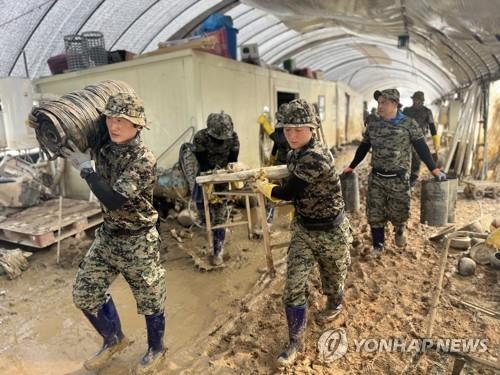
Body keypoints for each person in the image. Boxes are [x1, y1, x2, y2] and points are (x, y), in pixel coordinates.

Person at [61, 93, 167, 374]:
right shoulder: (105, 148)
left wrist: (86, 170)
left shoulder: (144, 159)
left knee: (150, 299)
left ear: (138, 125)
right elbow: (72, 134)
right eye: (110, 118)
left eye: (122, 120)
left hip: (139, 240)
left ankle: (156, 349)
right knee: (84, 293)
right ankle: (114, 339)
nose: (114, 125)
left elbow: (114, 199)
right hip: (109, 236)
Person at [254, 99, 352, 367]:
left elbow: (286, 193)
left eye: (298, 130)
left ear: (312, 129)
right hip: (304, 230)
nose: (292, 135)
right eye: (287, 130)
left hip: (331, 230)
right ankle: (295, 341)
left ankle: (335, 302)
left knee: (333, 277)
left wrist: (264, 186)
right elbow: (291, 179)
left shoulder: (316, 156)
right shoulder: (293, 154)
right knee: (293, 286)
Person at [344, 89, 446, 255]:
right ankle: (378, 246)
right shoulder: (374, 124)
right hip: (377, 177)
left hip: (398, 179)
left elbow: (422, 148)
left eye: (383, 102)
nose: (380, 106)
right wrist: (352, 166)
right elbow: (364, 146)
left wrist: (434, 169)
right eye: (378, 102)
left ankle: (399, 230)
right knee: (374, 214)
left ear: (394, 104)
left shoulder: (409, 124)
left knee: (399, 213)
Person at [192, 111, 239, 266]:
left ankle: (218, 249)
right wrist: (210, 173)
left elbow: (233, 160)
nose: (220, 141)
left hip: (222, 176)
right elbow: (202, 162)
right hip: (205, 174)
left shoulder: (233, 138)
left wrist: (227, 171)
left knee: (219, 212)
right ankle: (208, 228)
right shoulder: (200, 138)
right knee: (200, 206)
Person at [403, 91, 440, 186]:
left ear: (422, 101)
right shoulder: (406, 111)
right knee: (403, 156)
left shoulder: (427, 112)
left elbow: (432, 126)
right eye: (414, 100)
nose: (416, 102)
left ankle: (414, 176)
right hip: (406, 137)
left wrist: (435, 139)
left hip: (419, 138)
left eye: (418, 100)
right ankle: (403, 174)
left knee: (416, 157)